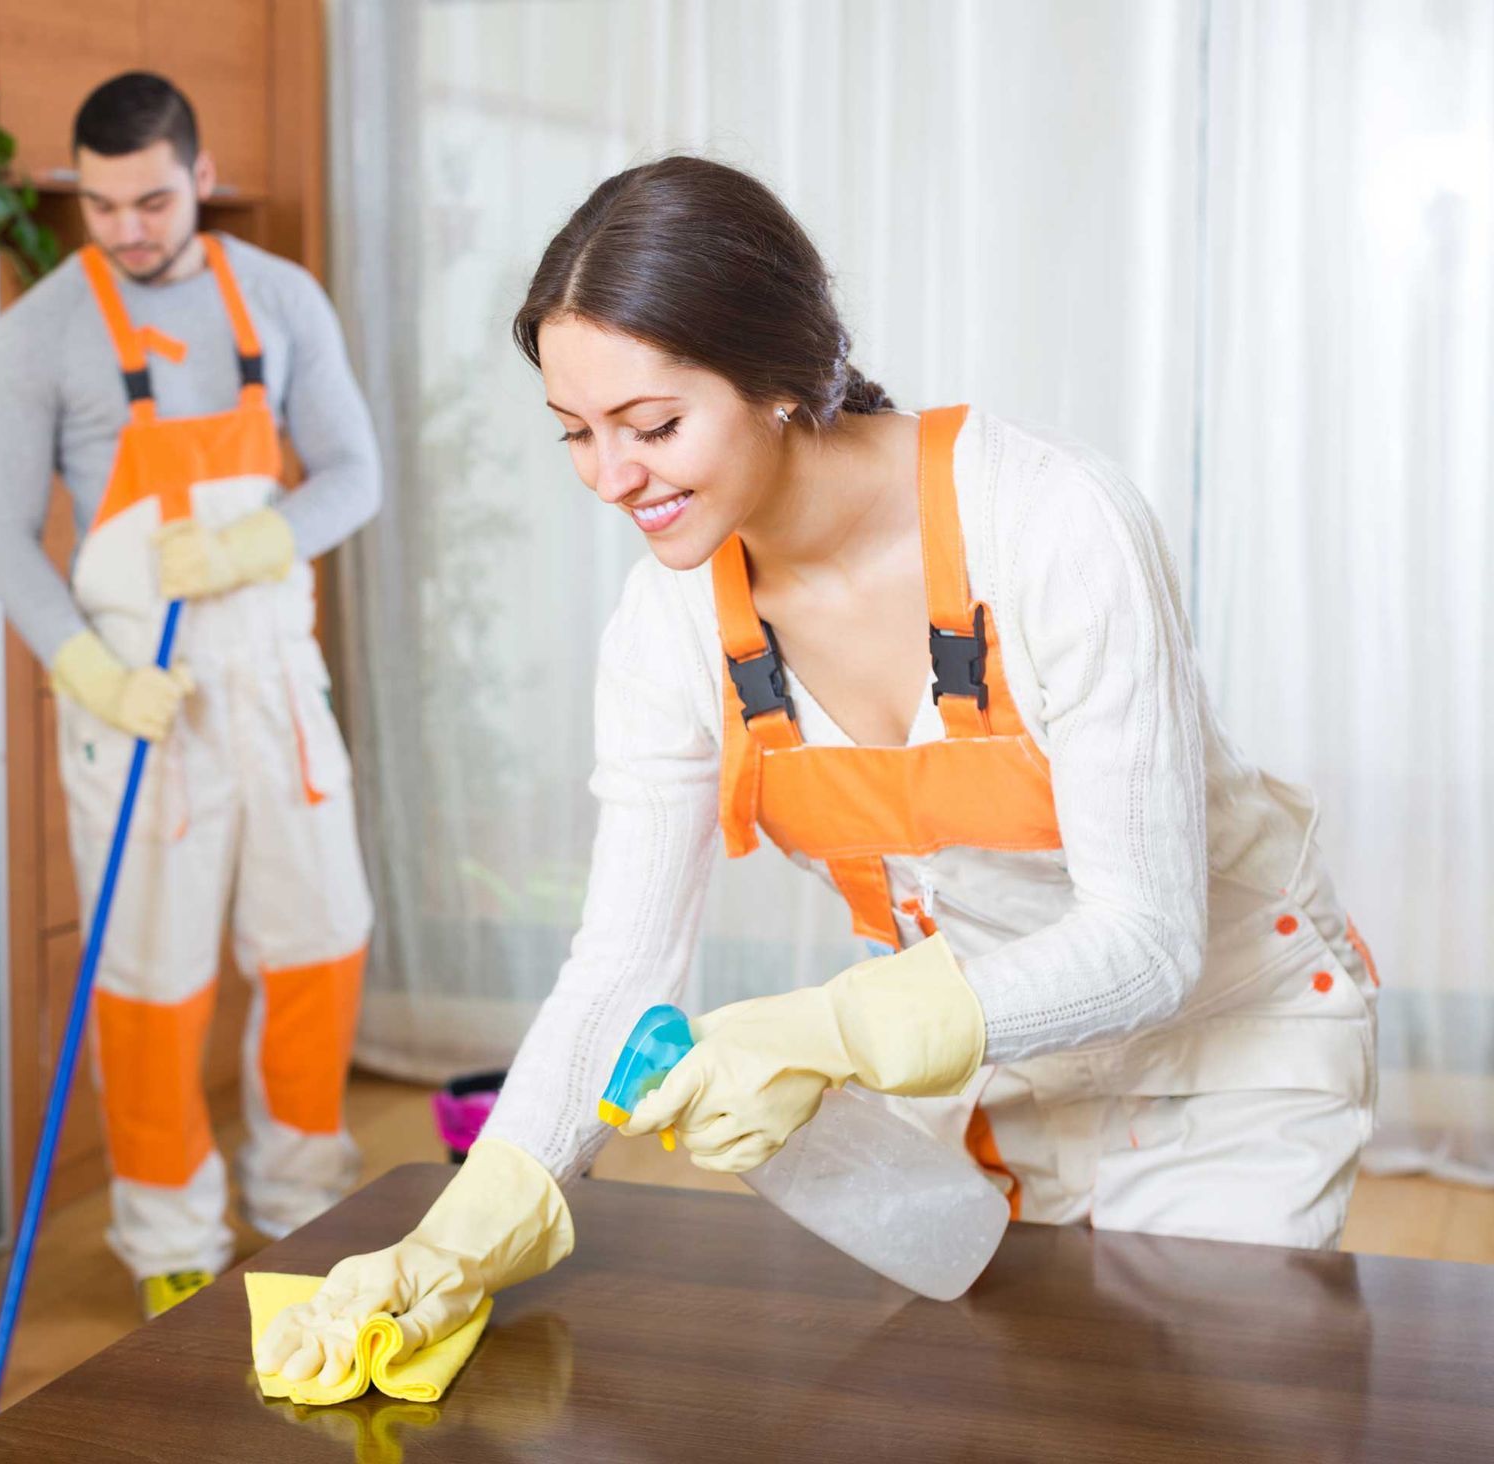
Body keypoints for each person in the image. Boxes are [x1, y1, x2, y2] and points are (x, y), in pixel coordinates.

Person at [255, 155, 1378, 1387]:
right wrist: (470, 1226)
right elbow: (622, 969)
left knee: (1198, 1415)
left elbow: (1148, 942)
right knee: (1036, 1415)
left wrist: (829, 1031)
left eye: (654, 425)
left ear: (783, 378)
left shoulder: (1052, 527)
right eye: (576, 434)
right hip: (988, 1090)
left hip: (1230, 1057)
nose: (612, 479)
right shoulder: (671, 628)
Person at [0, 72, 380, 1319]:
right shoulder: (36, 333)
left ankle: (308, 1202)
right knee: (150, 981)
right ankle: (171, 1242)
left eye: (150, 200)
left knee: (319, 946)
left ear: (198, 177)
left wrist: (262, 544)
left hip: (271, 683)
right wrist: (85, 668)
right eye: (98, 205)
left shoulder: (281, 299)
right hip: (135, 699)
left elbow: (354, 475)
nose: (126, 227)